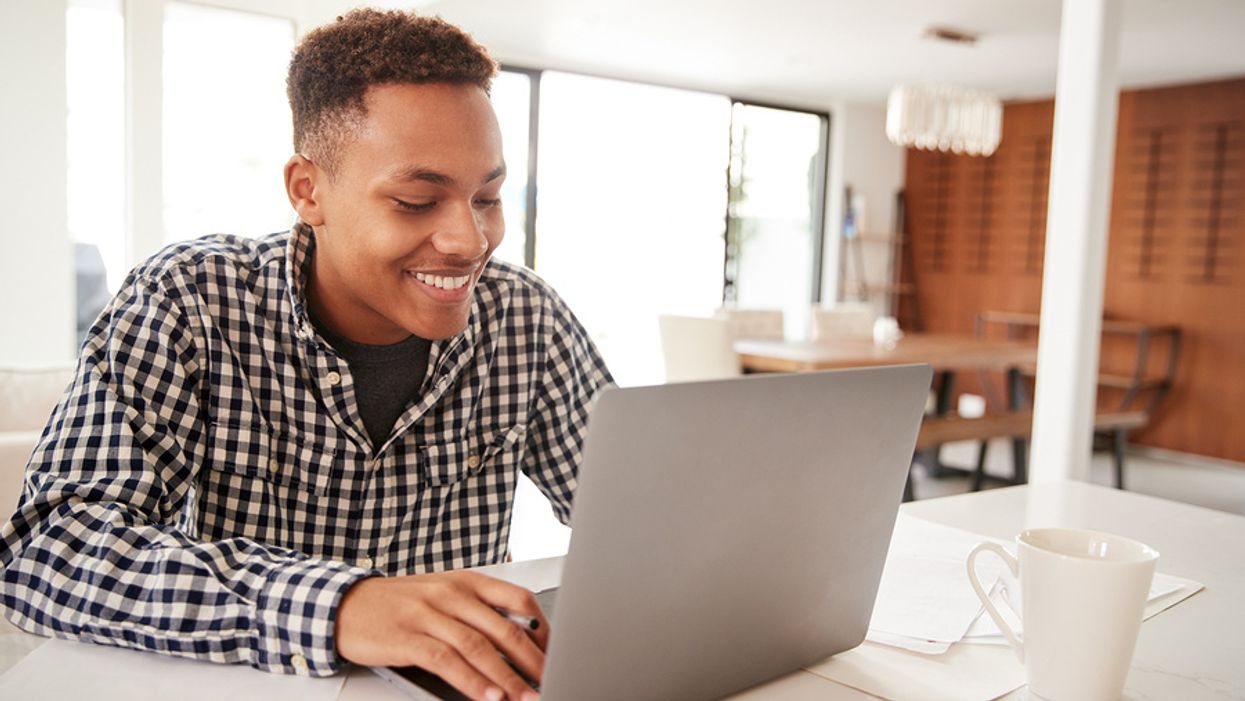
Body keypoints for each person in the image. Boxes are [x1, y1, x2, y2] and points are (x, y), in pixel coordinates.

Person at [0, 9, 612, 701]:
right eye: (416, 201)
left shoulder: (525, 316)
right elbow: (49, 554)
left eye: (488, 197)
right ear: (307, 190)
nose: (468, 240)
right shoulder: (190, 299)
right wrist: (342, 604)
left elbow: (638, 518)